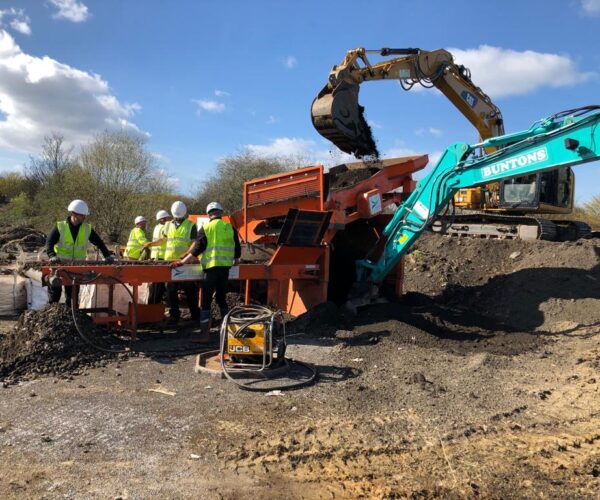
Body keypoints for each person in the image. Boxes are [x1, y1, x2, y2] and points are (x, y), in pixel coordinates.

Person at [172, 201, 241, 339]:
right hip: (225, 269)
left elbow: (198, 249)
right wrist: (236, 260)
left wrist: (182, 261)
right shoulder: (230, 228)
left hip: (210, 269)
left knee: (206, 300)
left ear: (209, 215)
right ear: (221, 213)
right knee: (221, 298)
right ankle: (227, 333)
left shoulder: (206, 228)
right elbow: (237, 248)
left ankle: (205, 334)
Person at [45, 199, 114, 306]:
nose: (84, 217)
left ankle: (71, 317)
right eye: (82, 215)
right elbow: (49, 242)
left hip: (76, 268)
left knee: (72, 297)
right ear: (74, 214)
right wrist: (51, 255)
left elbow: (98, 242)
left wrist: (107, 255)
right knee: (55, 295)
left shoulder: (87, 228)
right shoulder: (60, 226)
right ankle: (52, 314)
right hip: (59, 265)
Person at [147, 201, 199, 325]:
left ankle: (195, 315)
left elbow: (194, 242)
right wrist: (151, 244)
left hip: (184, 262)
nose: (177, 217)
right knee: (170, 290)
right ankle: (174, 315)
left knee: (190, 289)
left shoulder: (191, 225)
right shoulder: (168, 225)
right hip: (170, 261)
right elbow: (163, 240)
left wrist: (187, 254)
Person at [147, 209, 171, 304]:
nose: (169, 219)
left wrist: (150, 245)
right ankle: (155, 303)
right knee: (159, 283)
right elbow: (162, 241)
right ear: (162, 219)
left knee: (155, 283)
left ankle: (153, 302)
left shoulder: (156, 227)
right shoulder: (166, 227)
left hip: (155, 257)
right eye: (167, 217)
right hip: (161, 257)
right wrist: (151, 245)